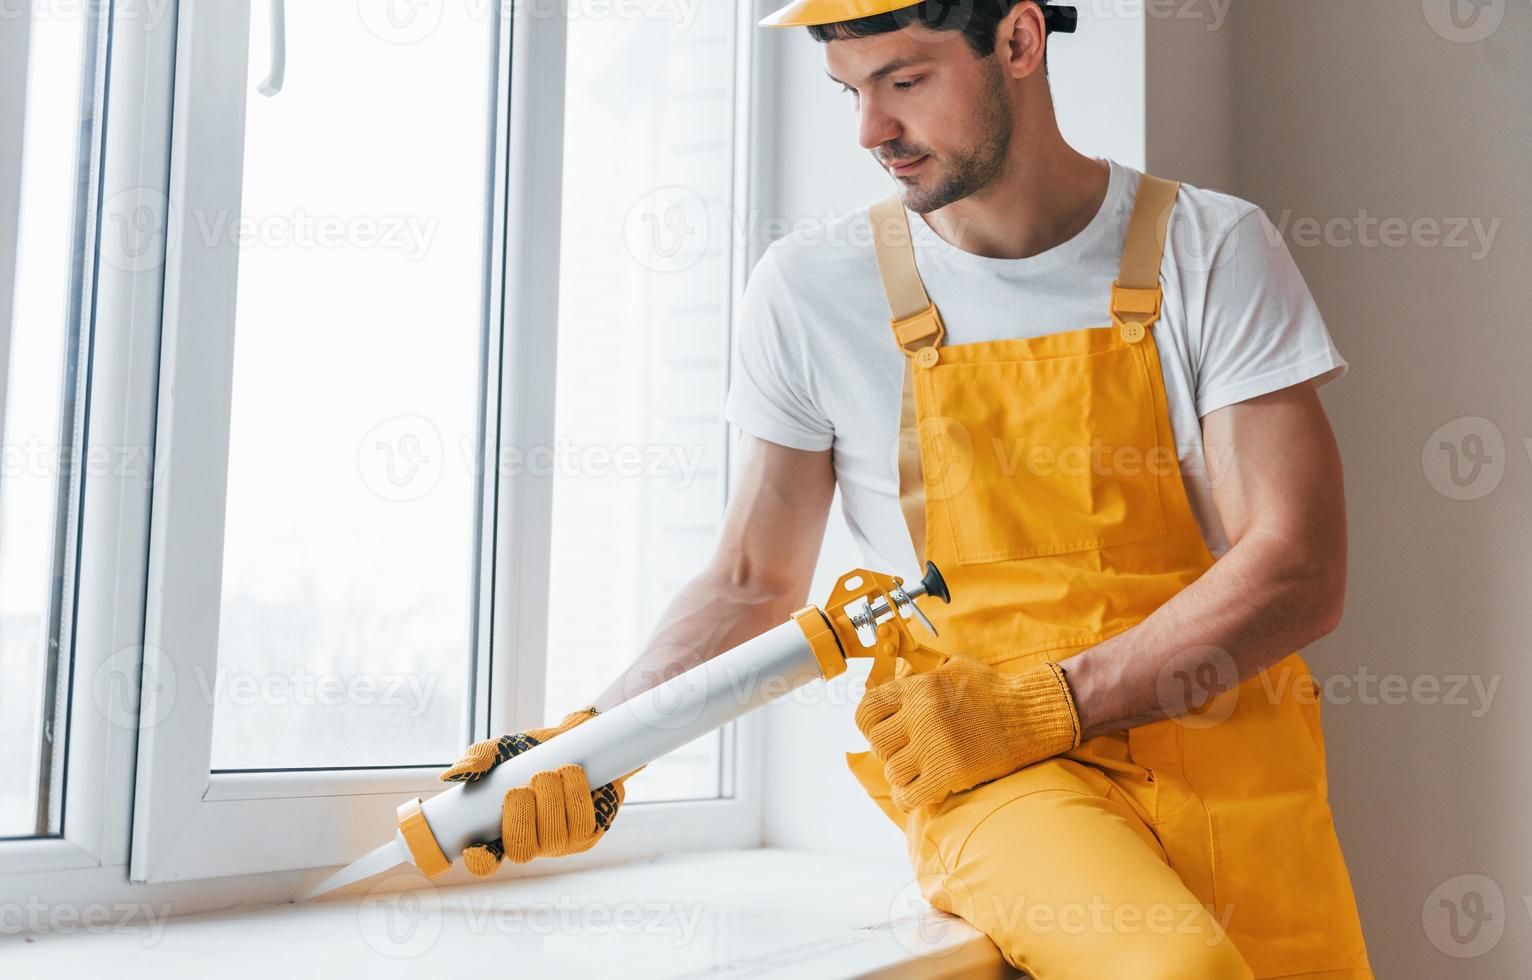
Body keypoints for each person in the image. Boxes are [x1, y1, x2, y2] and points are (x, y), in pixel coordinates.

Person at [442, 2, 1372, 976]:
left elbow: (1297, 564)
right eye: (849, 91)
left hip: (1228, 750)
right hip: (990, 764)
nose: (869, 131)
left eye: (903, 80)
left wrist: (1048, 698)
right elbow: (753, 577)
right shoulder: (813, 289)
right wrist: (592, 743)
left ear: (1016, 42)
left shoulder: (1210, 249)